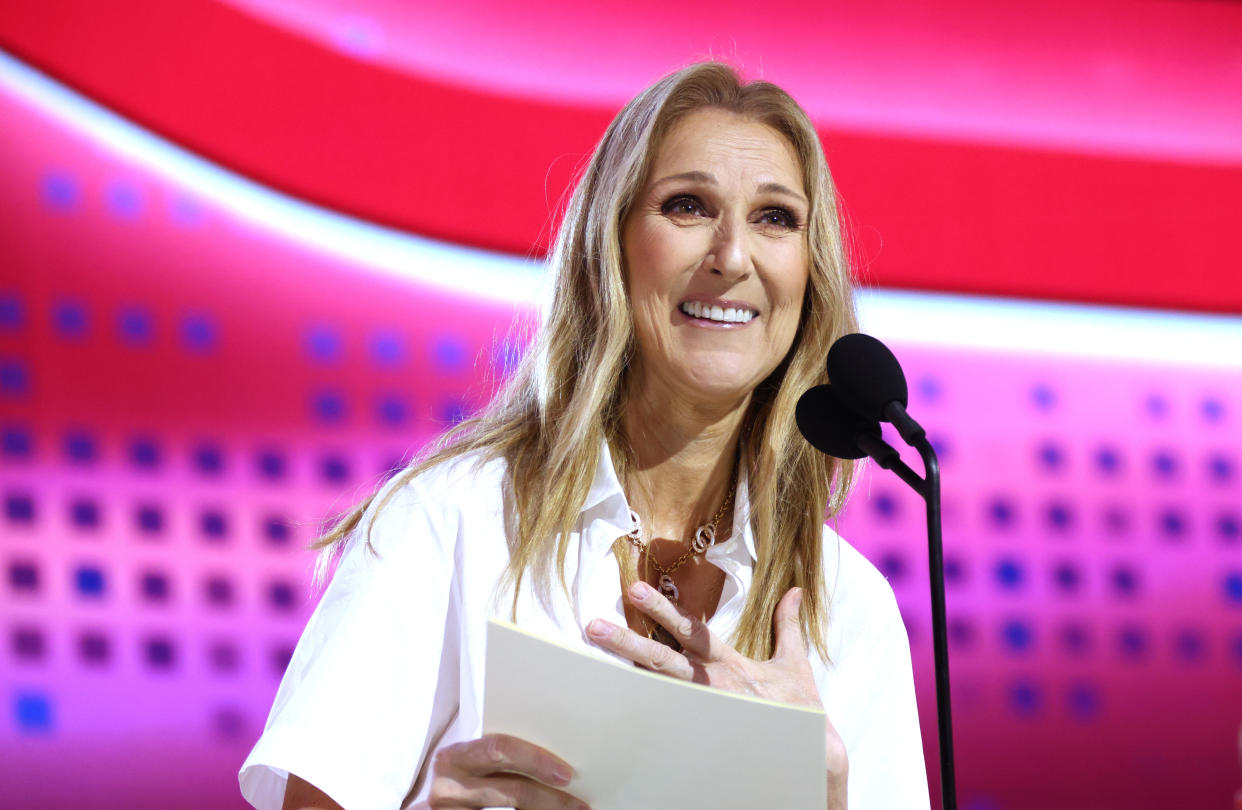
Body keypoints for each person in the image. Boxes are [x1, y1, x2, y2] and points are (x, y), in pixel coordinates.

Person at [240, 61, 930, 810]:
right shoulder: (452, 522)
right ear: (612, 246)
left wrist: (822, 796)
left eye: (775, 218)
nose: (733, 257)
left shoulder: (847, 606)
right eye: (688, 206)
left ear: (810, 271)